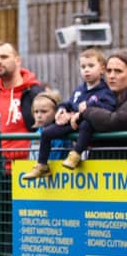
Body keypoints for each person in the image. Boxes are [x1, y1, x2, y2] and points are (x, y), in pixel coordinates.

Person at [23, 48, 116, 179]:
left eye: (91, 66)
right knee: (46, 132)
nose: (86, 70)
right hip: (71, 123)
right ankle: (42, 165)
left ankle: (76, 155)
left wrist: (89, 107)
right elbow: (70, 103)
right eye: (83, 66)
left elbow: (109, 107)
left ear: (102, 69)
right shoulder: (79, 89)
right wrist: (61, 109)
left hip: (89, 125)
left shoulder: (105, 91)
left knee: (86, 124)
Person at [77, 51, 127, 132]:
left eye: (118, 71)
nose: (111, 76)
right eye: (109, 71)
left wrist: (84, 112)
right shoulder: (98, 93)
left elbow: (114, 122)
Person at [28, 90, 67, 161]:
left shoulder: (60, 135)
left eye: (44, 111)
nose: (39, 115)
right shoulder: (36, 134)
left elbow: (55, 161)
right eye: (36, 111)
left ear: (56, 111)